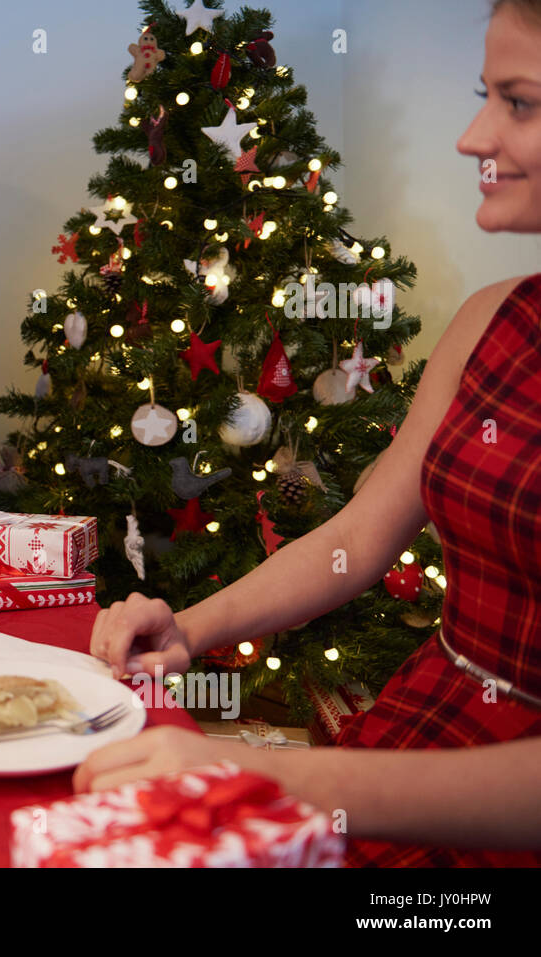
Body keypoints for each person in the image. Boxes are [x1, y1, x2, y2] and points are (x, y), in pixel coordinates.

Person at [76, 0, 541, 866]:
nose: (474, 136)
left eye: (519, 102)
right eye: (488, 94)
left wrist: (261, 773)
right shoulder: (494, 320)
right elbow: (359, 538)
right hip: (424, 726)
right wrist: (188, 627)